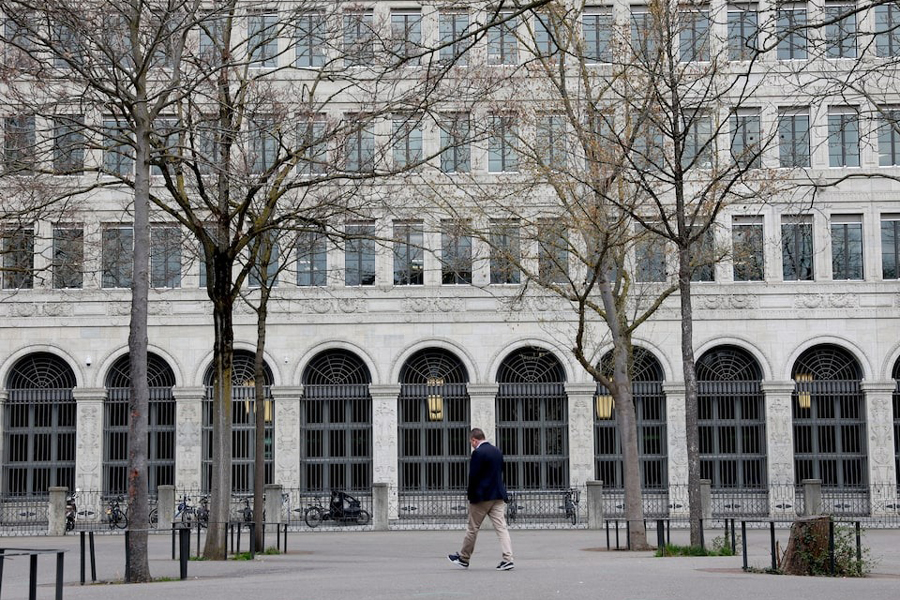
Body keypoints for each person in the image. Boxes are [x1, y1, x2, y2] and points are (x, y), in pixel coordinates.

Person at [448, 428, 514, 571]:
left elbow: (473, 477)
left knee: (472, 528)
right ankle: (508, 559)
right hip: (498, 495)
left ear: (474, 440)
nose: (471, 445)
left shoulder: (478, 453)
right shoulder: (497, 451)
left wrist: (471, 496)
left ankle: (464, 558)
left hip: (482, 497)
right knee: (501, 528)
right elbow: (500, 472)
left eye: (471, 442)